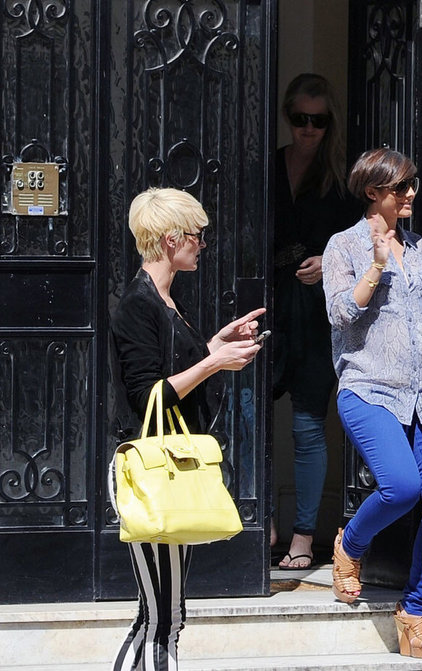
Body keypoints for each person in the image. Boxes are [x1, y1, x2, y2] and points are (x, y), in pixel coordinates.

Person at [323, 148, 422, 659]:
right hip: (368, 389)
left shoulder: (419, 247)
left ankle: (414, 611)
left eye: (413, 184)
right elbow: (341, 314)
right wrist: (374, 266)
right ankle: (350, 545)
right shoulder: (342, 246)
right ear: (373, 193)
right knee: (401, 487)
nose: (411, 193)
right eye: (401, 187)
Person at [109, 188, 265, 671]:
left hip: (167, 468)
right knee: (162, 619)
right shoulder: (138, 303)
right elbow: (147, 394)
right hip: (150, 469)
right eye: (197, 235)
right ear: (171, 238)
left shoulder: (163, 300)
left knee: (161, 616)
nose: (202, 244)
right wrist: (215, 361)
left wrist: (217, 342)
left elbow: (173, 371)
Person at [271, 73, 356, 570]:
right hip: (269, 303)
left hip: (318, 312)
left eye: (318, 121)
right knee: (254, 420)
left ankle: (303, 537)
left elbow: (367, 241)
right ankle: (265, 526)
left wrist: (328, 261)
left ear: (329, 123)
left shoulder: (340, 178)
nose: (307, 129)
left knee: (307, 424)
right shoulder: (270, 165)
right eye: (300, 119)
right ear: (288, 115)